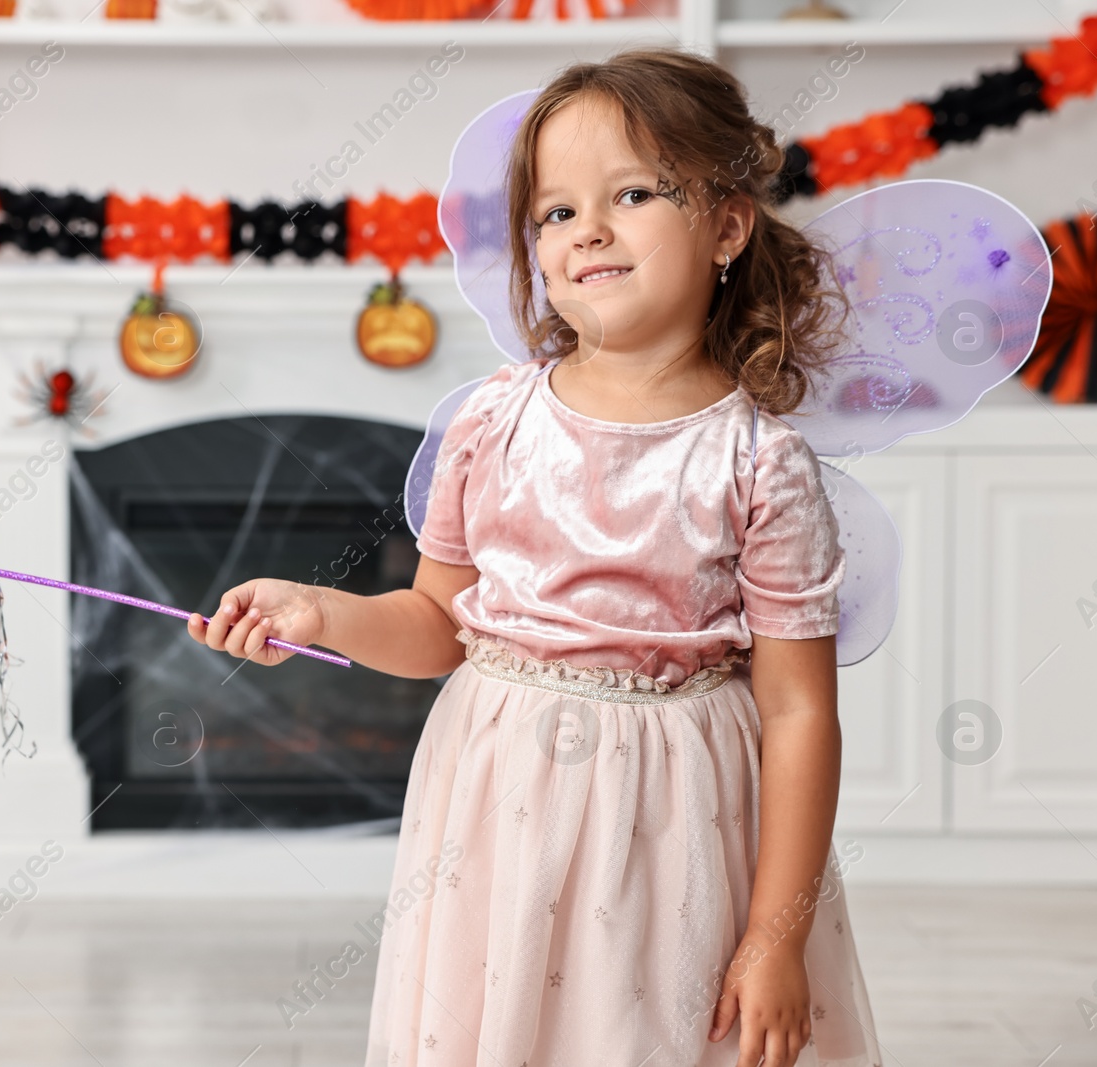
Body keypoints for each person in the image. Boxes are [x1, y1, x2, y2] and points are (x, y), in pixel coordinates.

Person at [189, 47, 884, 1067]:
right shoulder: (488, 421)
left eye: (633, 193)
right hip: (496, 799)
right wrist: (317, 610)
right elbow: (437, 626)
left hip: (677, 816)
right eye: (554, 212)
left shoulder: (759, 461)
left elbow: (796, 709)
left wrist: (774, 936)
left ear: (728, 224)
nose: (586, 230)